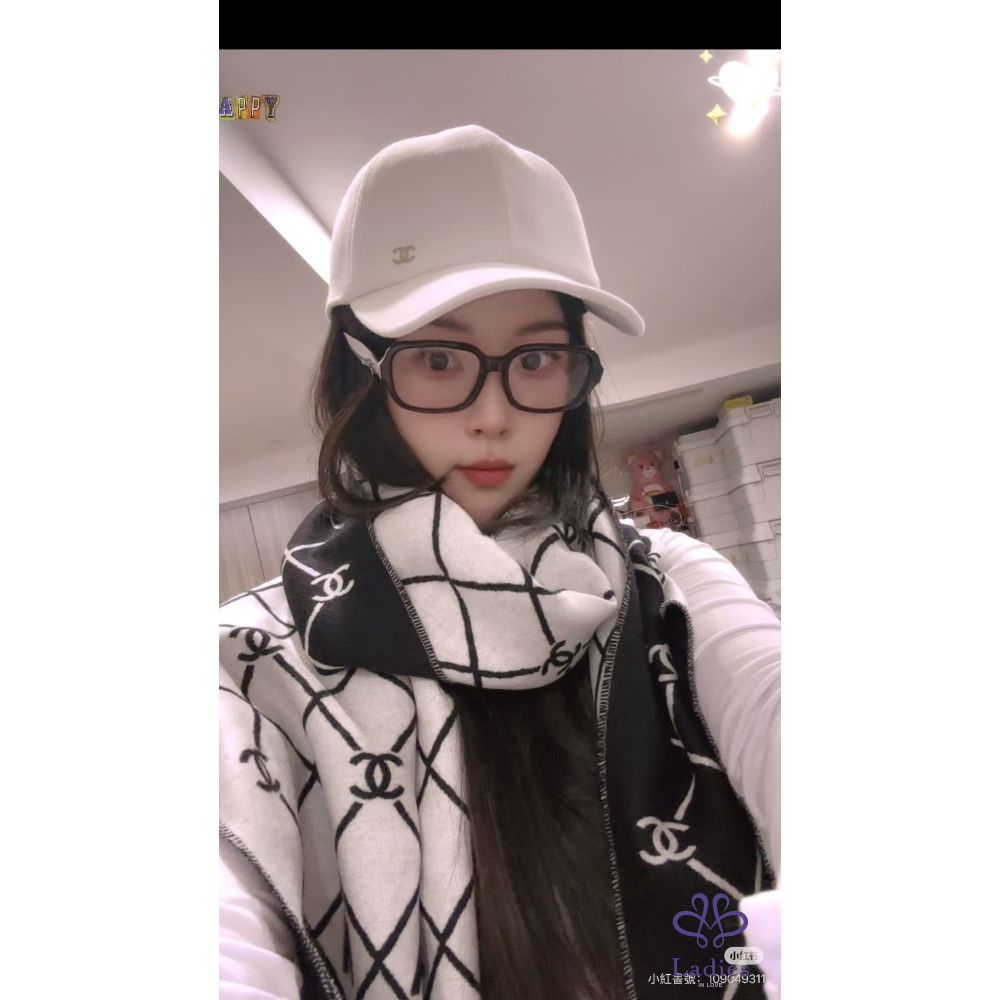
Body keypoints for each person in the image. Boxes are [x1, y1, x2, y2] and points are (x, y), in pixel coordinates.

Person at [219, 125, 781, 1000]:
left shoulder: (672, 584)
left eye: (538, 357)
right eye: (439, 358)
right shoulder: (253, 656)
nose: (494, 416)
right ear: (359, 372)